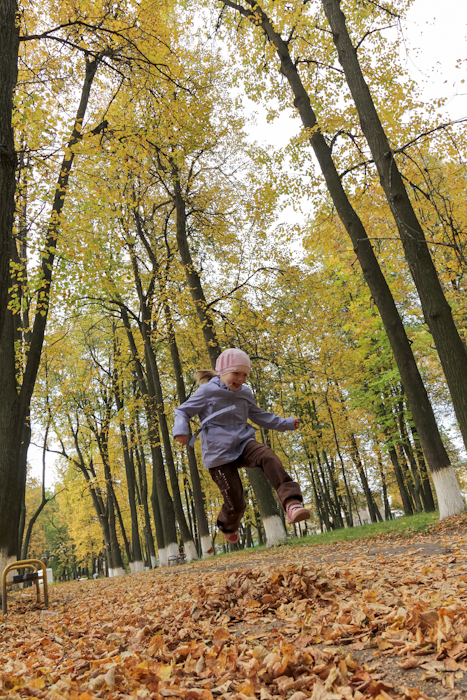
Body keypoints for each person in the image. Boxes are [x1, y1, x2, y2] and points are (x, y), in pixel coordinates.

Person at [173, 348, 310, 544]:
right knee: (236, 504)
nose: (241, 379)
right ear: (222, 371)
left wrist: (286, 423)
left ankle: (291, 503)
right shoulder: (206, 391)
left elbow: (260, 416)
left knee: (267, 455)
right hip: (218, 452)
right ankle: (227, 524)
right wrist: (181, 431)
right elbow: (182, 411)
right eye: (236, 373)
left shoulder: (245, 393)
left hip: (243, 441)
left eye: (245, 374)